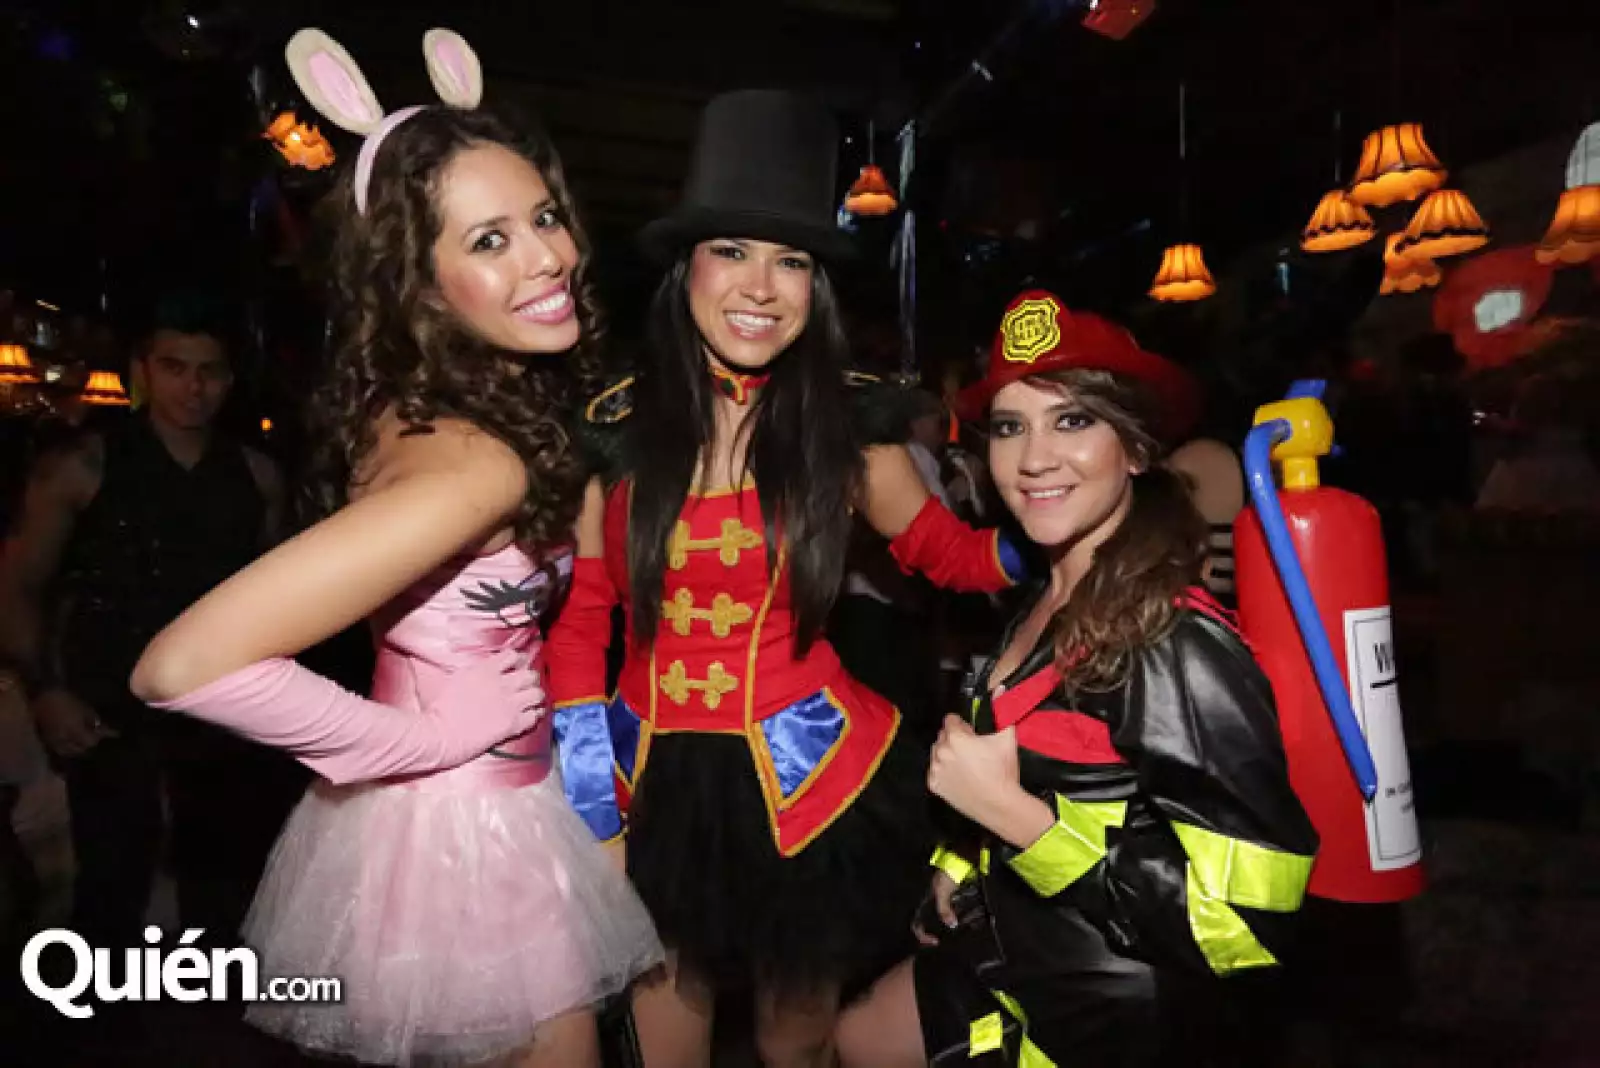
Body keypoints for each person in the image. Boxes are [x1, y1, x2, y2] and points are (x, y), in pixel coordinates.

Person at [129, 29, 659, 1067]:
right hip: (469, 837)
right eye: (489, 241)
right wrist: (418, 740)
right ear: (419, 283)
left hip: (453, 822)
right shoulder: (477, 467)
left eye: (543, 217)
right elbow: (180, 665)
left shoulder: (415, 406)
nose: (549, 256)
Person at [545, 90, 1022, 1068]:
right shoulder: (614, 433)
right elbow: (581, 622)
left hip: (813, 788)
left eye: (792, 260)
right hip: (648, 789)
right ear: (685, 270)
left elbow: (956, 559)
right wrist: (592, 805)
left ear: (817, 287)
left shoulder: (849, 433)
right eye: (732, 250)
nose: (761, 286)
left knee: (794, 1047)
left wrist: (1078, 527)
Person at [835, 291, 1318, 1068]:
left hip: (1100, 1013)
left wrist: (1014, 817)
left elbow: (1246, 926)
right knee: (857, 1036)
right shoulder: (1045, 595)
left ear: (1136, 449)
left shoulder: (1175, 643)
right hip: (1012, 946)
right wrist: (961, 861)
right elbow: (1050, 773)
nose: (1033, 458)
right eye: (1009, 426)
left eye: (1072, 420)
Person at [0, 292, 298, 954]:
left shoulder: (257, 475)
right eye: (174, 367)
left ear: (229, 377)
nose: (194, 387)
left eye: (209, 371)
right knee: (111, 882)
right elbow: (18, 587)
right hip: (105, 700)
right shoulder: (82, 465)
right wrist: (46, 691)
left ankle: (211, 1002)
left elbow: (280, 606)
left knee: (222, 889)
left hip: (222, 707)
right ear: (143, 370)